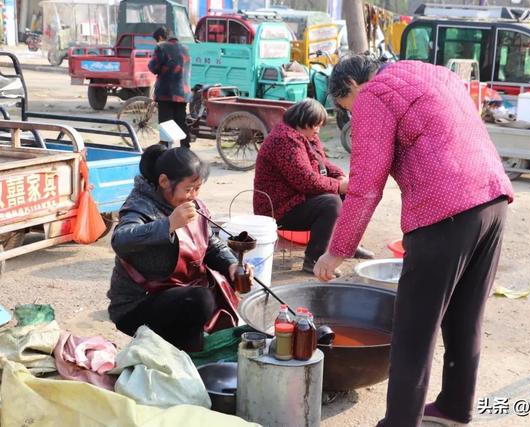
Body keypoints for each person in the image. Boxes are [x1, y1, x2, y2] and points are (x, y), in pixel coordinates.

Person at [314, 55, 514, 427]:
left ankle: (400, 422)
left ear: (353, 88)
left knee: (413, 329)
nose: (353, 116)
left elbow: (364, 188)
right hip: (493, 201)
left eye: (348, 109)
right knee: (465, 316)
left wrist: (335, 252)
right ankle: (455, 408)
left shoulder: (374, 94)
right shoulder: (435, 72)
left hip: (444, 212)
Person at [107, 145, 253, 352]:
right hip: (139, 304)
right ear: (164, 181)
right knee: (199, 300)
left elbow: (210, 243)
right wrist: (168, 224)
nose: (193, 196)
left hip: (180, 291)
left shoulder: (194, 206)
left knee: (219, 290)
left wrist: (230, 265)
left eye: (197, 188)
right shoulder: (140, 205)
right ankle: (183, 355)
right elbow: (120, 239)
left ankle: (185, 351)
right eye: (188, 189)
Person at [253, 98, 374, 275]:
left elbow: (322, 162)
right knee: (331, 203)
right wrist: (340, 186)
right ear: (303, 121)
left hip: (298, 198)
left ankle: (346, 246)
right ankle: (315, 260)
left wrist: (340, 176)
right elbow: (306, 180)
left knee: (350, 194)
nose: (318, 130)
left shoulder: (308, 136)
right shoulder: (283, 140)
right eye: (315, 125)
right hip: (278, 208)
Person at [148, 26, 192, 148]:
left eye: (157, 39)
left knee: (166, 123)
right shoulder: (185, 48)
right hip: (183, 92)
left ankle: (166, 149)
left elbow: (153, 67)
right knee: (181, 121)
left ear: (160, 37)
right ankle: (185, 148)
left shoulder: (161, 47)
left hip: (166, 92)